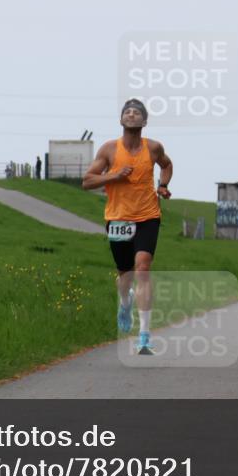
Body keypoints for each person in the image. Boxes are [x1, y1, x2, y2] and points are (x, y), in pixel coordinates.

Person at [82, 98, 173, 355]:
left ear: (144, 121)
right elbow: (87, 181)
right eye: (127, 112)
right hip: (118, 218)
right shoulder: (109, 150)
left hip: (147, 216)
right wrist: (114, 175)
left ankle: (144, 336)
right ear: (121, 119)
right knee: (125, 277)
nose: (131, 115)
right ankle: (125, 302)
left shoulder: (153, 148)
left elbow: (167, 165)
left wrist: (163, 186)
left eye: (136, 113)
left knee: (143, 268)